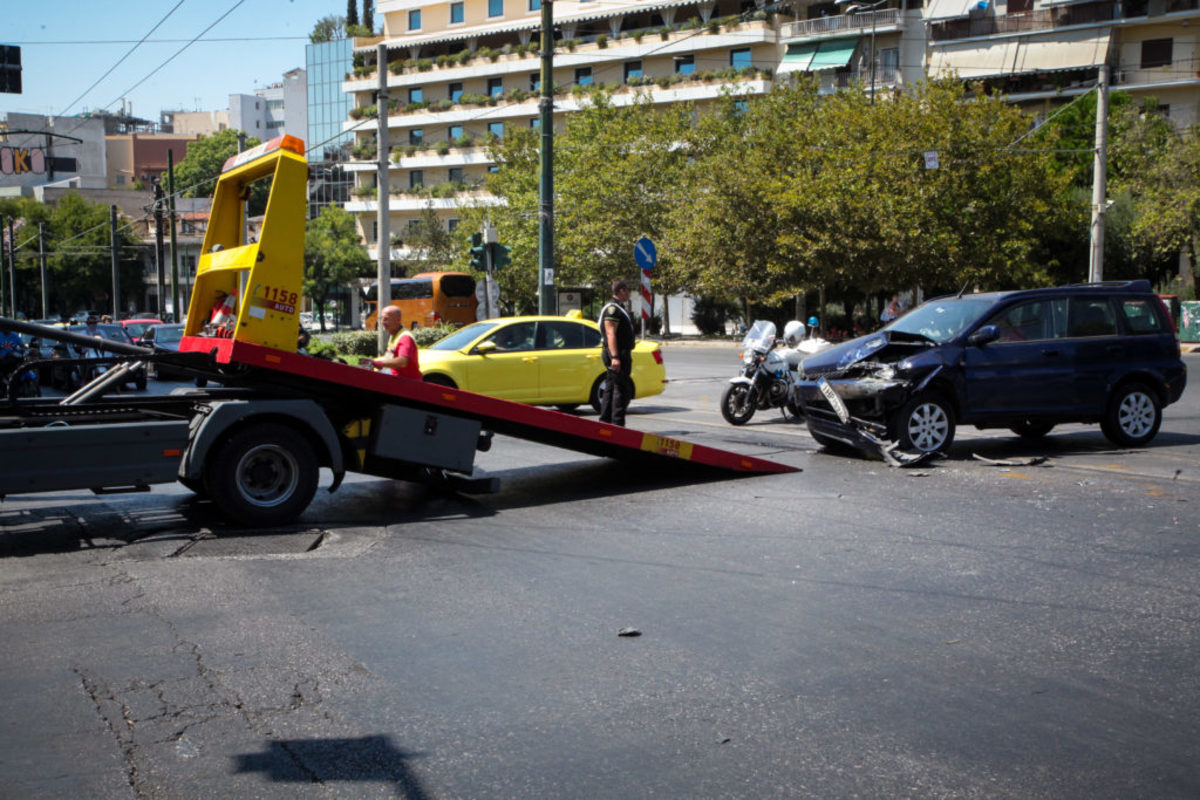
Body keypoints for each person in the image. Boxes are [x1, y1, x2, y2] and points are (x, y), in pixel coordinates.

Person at [598, 278, 635, 426]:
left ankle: (605, 422)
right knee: (621, 390)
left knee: (611, 388)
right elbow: (610, 333)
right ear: (621, 291)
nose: (630, 293)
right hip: (617, 353)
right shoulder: (612, 309)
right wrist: (615, 357)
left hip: (619, 353)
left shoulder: (619, 308)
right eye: (628, 290)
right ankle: (618, 424)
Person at [370, 305, 421, 379]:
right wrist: (373, 363)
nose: (382, 322)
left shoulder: (405, 338)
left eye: (386, 319)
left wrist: (380, 364)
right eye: (381, 318)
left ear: (398, 320)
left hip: (407, 383)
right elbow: (388, 358)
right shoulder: (393, 334)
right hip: (396, 376)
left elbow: (403, 361)